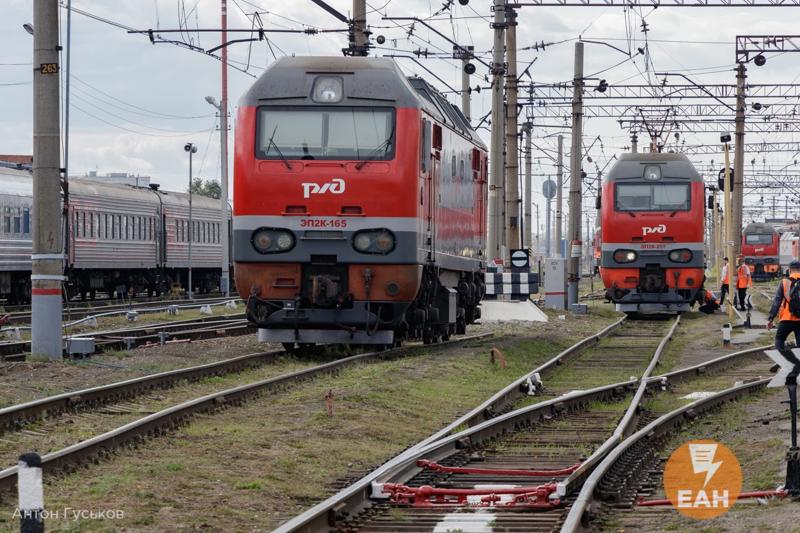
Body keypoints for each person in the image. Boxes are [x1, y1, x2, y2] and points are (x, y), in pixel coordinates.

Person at [767, 260, 800, 350]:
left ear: (789, 270)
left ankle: (781, 357)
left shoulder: (785, 282)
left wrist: (770, 319)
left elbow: (776, 302)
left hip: (786, 318)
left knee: (780, 339)